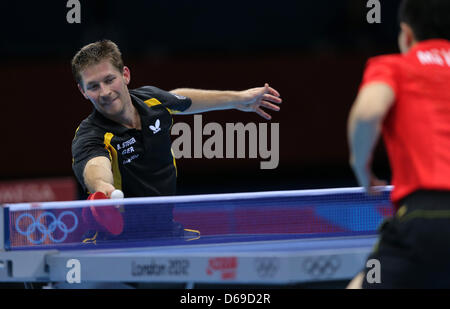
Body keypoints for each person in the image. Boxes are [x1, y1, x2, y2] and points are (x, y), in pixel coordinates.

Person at [71, 40, 282, 242]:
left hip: (165, 232)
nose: (105, 92)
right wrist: (103, 188)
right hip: (116, 242)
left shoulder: (151, 101)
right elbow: (96, 166)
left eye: (109, 80)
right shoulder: (90, 135)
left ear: (125, 75)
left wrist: (239, 99)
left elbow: (182, 100)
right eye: (93, 86)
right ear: (83, 91)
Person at [347, 0, 450, 288]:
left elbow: (368, 113)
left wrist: (361, 168)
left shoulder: (393, 66)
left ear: (406, 34)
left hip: (428, 215)